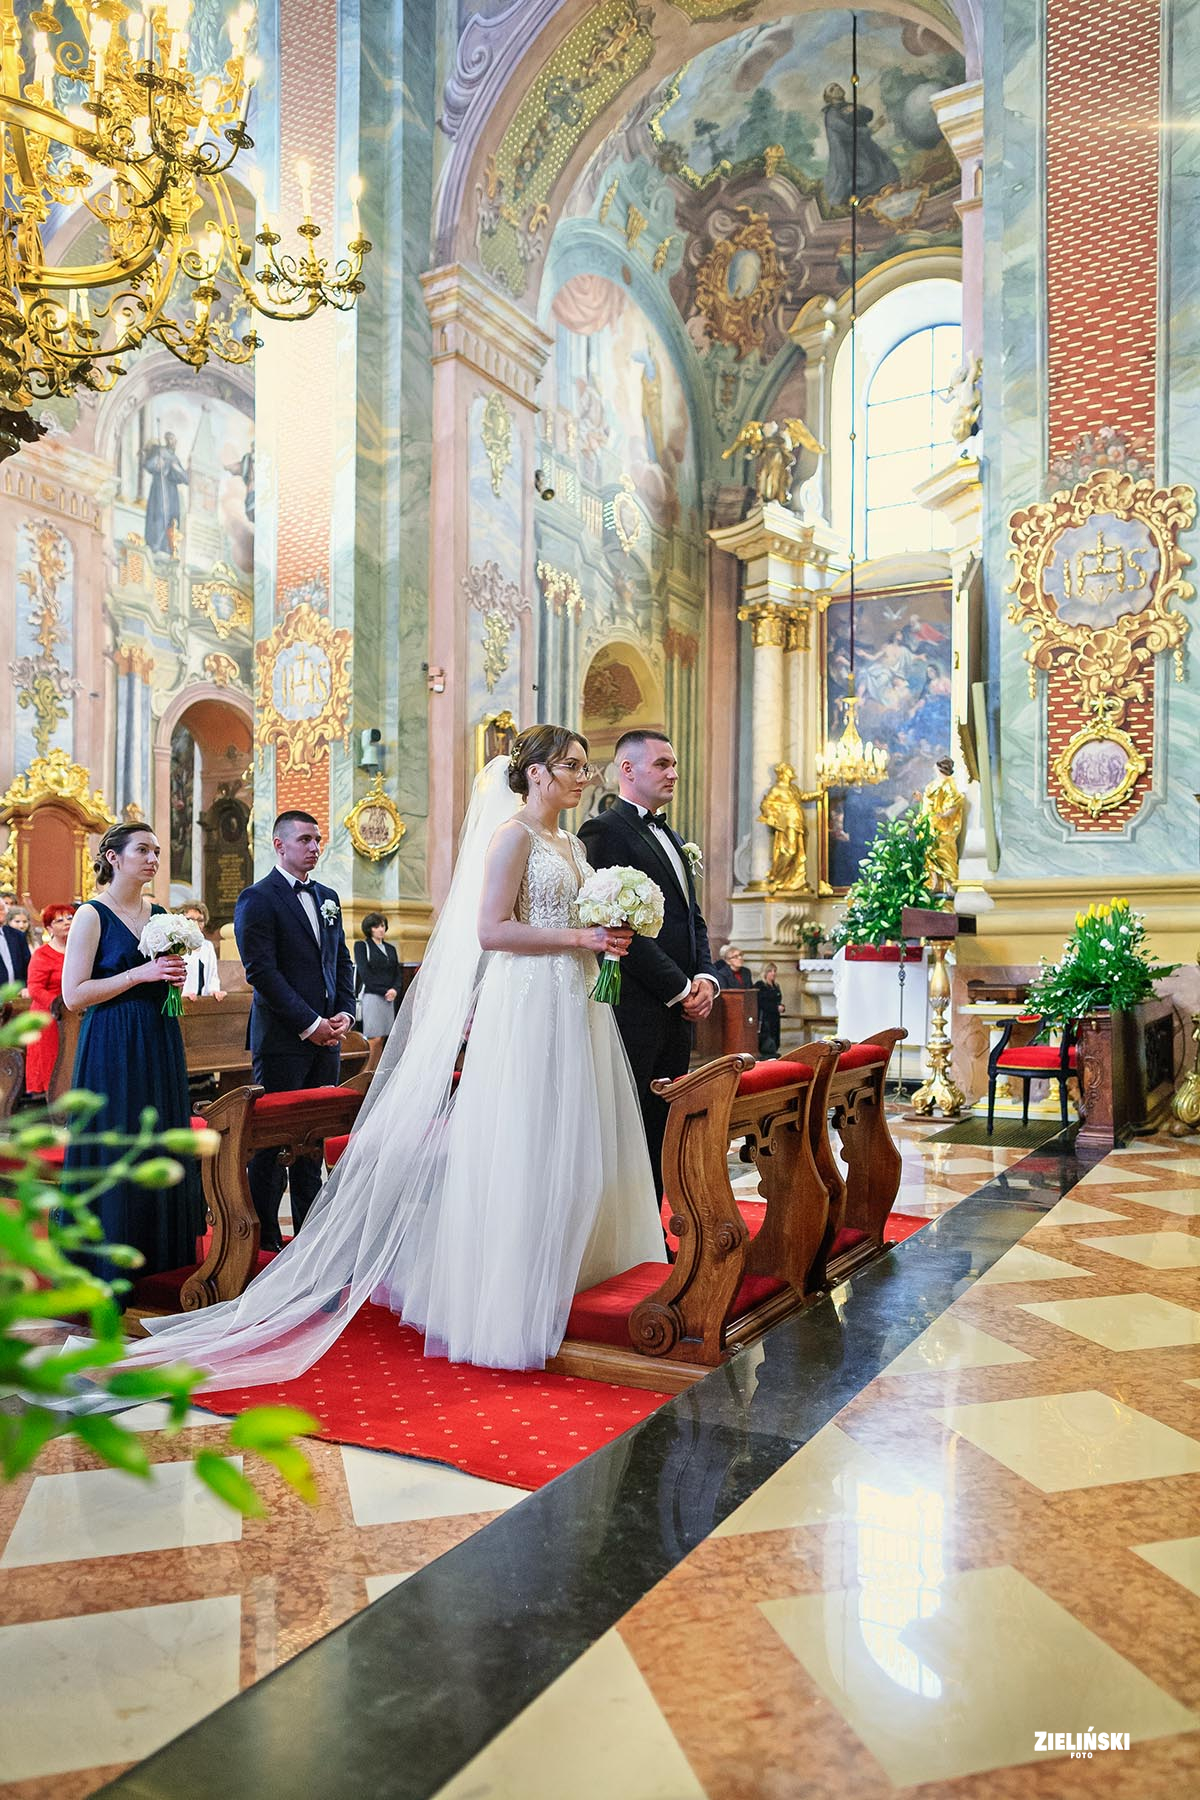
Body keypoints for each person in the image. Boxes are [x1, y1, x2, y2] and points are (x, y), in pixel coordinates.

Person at [123, 724, 665, 1385]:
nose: (587, 777)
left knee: (578, 1138)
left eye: (586, 766)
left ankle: (580, 1270)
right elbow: (490, 930)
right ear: (538, 773)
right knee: (525, 1138)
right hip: (527, 1001)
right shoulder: (513, 836)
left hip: (577, 998)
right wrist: (579, 933)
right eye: (573, 766)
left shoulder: (571, 843)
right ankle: (508, 1291)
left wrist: (603, 937)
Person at [60, 824, 204, 1290]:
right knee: (118, 1139)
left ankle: (159, 1257)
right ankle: (106, 1265)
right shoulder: (91, 915)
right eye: (142, 850)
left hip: (158, 1038)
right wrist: (140, 974)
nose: (153, 859)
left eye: (158, 851)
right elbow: (74, 995)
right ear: (113, 857)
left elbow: (158, 980)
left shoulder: (160, 914)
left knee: (158, 1138)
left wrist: (172, 979)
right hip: (112, 1044)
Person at [578, 729, 717, 1203]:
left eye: (673, 762)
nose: (673, 771)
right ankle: (627, 1227)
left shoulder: (673, 836)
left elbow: (692, 917)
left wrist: (706, 979)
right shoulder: (603, 833)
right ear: (628, 770)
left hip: (679, 1007)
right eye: (662, 764)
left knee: (663, 1123)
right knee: (629, 1122)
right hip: (635, 1006)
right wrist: (679, 988)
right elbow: (617, 930)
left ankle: (653, 1225)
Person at [234, 811, 357, 1250]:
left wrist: (345, 1012)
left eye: (318, 839)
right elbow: (261, 972)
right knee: (271, 1143)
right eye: (305, 839)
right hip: (284, 1041)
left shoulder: (328, 897)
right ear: (279, 844)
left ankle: (310, 1237)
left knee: (313, 1140)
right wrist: (310, 1024)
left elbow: (341, 960)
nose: (314, 847)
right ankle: (264, 1239)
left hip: (328, 1039)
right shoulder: (257, 898)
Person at [23, 903, 75, 1100]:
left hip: (75, 1013)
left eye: (70, 918)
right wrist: (59, 1005)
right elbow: (35, 988)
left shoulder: (80, 950)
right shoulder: (42, 954)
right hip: (49, 1015)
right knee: (52, 1063)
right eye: (59, 920)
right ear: (49, 928)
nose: (66, 923)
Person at [354, 913, 401, 1040]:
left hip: (389, 998)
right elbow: (364, 974)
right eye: (376, 927)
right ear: (369, 929)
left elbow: (397, 973)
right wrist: (384, 991)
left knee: (385, 1038)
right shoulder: (362, 946)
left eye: (382, 926)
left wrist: (394, 990)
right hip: (373, 995)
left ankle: (379, 1061)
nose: (380, 929)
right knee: (374, 1038)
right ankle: (371, 1061)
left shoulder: (391, 948)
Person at [180, 900, 225, 1000]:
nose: (195, 924)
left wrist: (214, 991)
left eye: (200, 920)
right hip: (182, 1000)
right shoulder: (175, 946)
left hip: (202, 1001)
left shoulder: (208, 946)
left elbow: (213, 975)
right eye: (190, 919)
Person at [0, 891, 31, 994]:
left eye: (2, 909)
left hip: (17, 996)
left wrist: (27, 987)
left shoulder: (17, 935)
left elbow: (28, 966)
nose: (3, 912)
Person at [755, 962, 784, 1060]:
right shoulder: (760, 985)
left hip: (775, 1018)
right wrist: (775, 1008)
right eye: (770, 971)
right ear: (765, 973)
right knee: (767, 1041)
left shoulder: (776, 986)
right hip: (765, 1018)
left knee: (775, 1038)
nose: (773, 973)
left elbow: (778, 1000)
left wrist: (781, 1006)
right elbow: (761, 1002)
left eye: (775, 971)